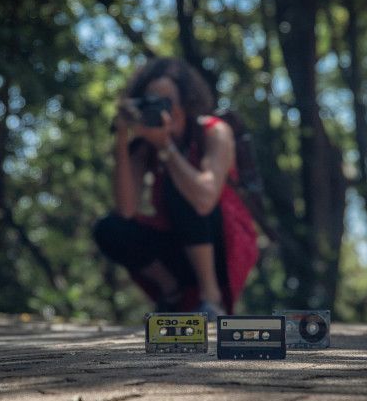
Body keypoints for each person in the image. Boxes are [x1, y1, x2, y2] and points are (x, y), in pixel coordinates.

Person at [93, 58, 258, 320]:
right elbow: (125, 209)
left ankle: (211, 299)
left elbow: (205, 199)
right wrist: (122, 138)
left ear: (186, 101)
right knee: (109, 228)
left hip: (223, 242)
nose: (159, 109)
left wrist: (167, 149)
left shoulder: (214, 131)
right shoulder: (145, 145)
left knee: (181, 187)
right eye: (150, 102)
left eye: (166, 101)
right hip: (180, 244)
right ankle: (174, 293)